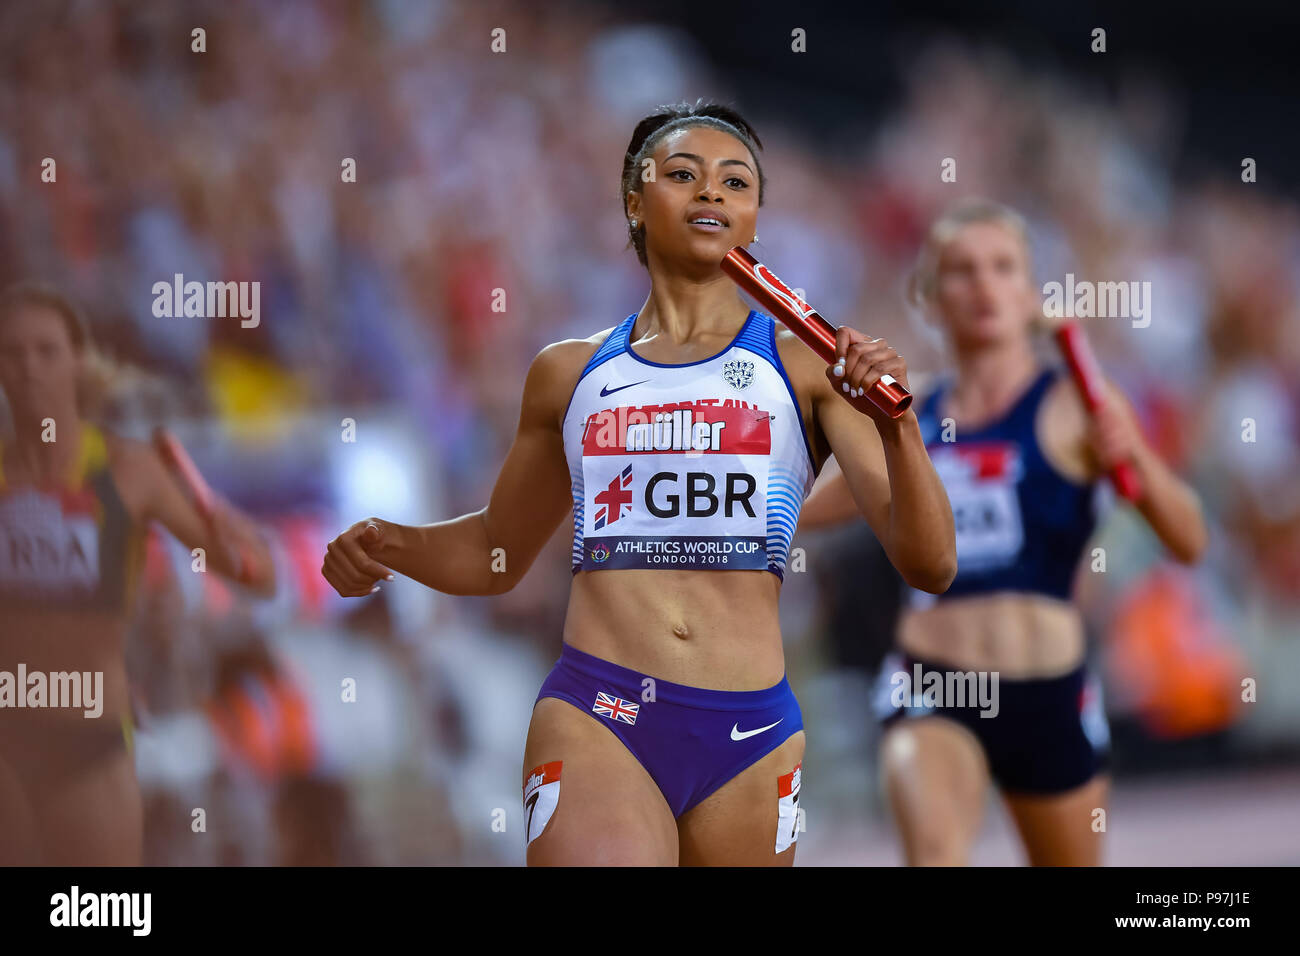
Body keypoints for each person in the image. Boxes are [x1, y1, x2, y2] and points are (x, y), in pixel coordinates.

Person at [322, 100, 956, 866]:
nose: (711, 194)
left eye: (735, 182)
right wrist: (391, 544)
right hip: (600, 711)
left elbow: (930, 562)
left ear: (754, 217)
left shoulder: (809, 370)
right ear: (634, 201)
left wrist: (899, 427)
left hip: (749, 733)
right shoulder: (569, 373)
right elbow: (498, 551)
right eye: (683, 175)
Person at [799, 198, 1208, 865]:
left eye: (1001, 267)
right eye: (960, 270)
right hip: (932, 683)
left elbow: (1189, 541)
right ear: (929, 300)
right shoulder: (907, 414)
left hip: (1048, 687)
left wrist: (1134, 459)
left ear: (1030, 294)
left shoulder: (1081, 405)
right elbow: (797, 508)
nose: (983, 285)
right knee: (934, 857)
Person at [0, 281, 275, 865]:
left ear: (78, 362)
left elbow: (259, 575)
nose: (27, 370)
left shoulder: (130, 470)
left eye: (45, 351)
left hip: (91, 742)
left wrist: (227, 526)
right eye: (12, 353)